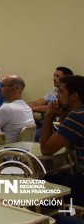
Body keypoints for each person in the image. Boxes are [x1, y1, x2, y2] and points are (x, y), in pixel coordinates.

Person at [40, 74, 84, 206]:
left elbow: (46, 150)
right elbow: (69, 146)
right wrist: (64, 115)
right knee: (55, 177)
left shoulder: (78, 116)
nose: (57, 96)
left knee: (41, 186)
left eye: (60, 91)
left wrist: (48, 115)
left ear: (74, 96)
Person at [0, 75, 34, 143]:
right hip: (22, 150)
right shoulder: (27, 108)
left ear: (13, 89)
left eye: (2, 86)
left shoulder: (7, 108)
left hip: (4, 151)